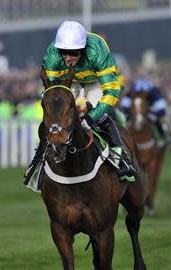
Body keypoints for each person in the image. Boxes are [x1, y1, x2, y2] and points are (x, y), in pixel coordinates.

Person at [25, 21, 136, 184]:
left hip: (95, 80)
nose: (68, 58)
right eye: (64, 52)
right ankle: (38, 162)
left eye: (74, 53)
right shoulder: (52, 54)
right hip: (69, 81)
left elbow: (112, 91)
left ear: (83, 49)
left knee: (99, 115)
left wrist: (90, 118)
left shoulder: (96, 49)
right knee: (55, 115)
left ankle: (121, 157)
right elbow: (52, 92)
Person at [120, 78, 170, 146]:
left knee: (157, 120)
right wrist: (127, 112)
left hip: (150, 109)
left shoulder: (153, 92)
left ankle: (162, 136)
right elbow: (125, 105)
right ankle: (123, 138)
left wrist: (156, 114)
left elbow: (160, 109)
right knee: (126, 120)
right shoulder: (132, 91)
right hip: (137, 109)